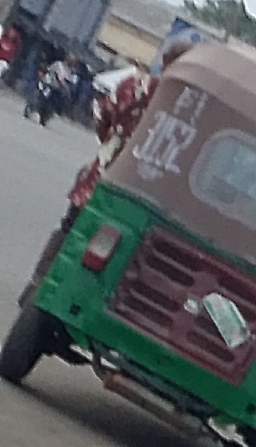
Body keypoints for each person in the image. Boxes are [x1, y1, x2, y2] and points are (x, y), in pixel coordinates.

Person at [20, 39, 192, 301]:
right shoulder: (185, 109)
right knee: (117, 255)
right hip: (141, 196)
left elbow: (102, 120)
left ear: (164, 59)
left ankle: (37, 285)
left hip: (103, 176)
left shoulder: (134, 85)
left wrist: (115, 142)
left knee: (69, 230)